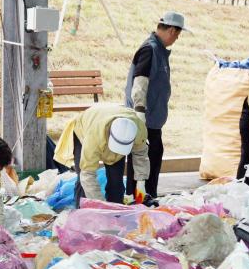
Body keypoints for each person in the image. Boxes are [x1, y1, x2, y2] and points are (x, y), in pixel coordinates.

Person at [124, 12, 186, 198]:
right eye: (177, 34)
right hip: (144, 120)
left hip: (152, 121)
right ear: (172, 30)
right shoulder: (150, 49)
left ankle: (146, 198)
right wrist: (140, 112)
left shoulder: (159, 50)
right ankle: (139, 201)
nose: (176, 38)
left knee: (153, 157)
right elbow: (140, 82)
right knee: (142, 162)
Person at [52, 103, 149, 207]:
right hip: (85, 127)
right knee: (83, 182)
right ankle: (82, 212)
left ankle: (117, 213)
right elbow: (87, 175)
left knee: (116, 182)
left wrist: (141, 180)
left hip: (110, 117)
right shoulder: (93, 137)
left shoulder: (139, 130)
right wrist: (101, 206)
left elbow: (140, 155)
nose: (117, 153)